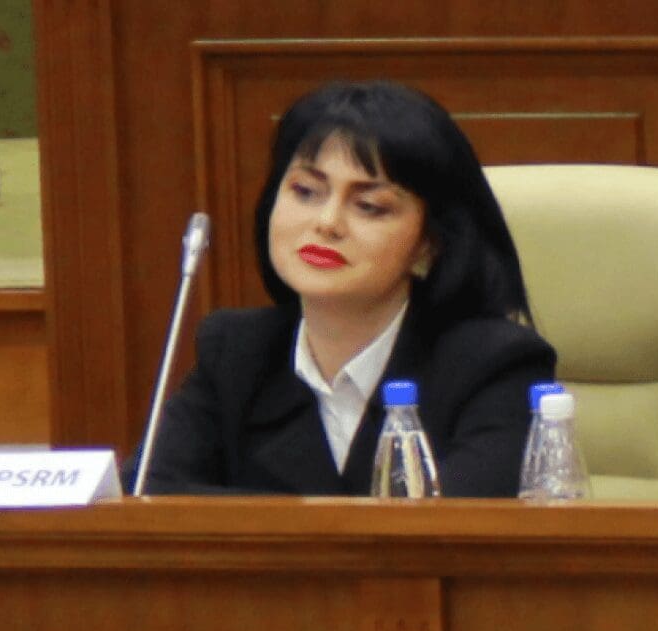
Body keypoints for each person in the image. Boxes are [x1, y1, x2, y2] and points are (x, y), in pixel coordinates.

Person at [122, 81, 556, 497]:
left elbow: (457, 528)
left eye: (369, 206)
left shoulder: (493, 366)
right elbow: (149, 499)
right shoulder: (235, 354)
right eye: (305, 191)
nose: (327, 222)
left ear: (429, 242)